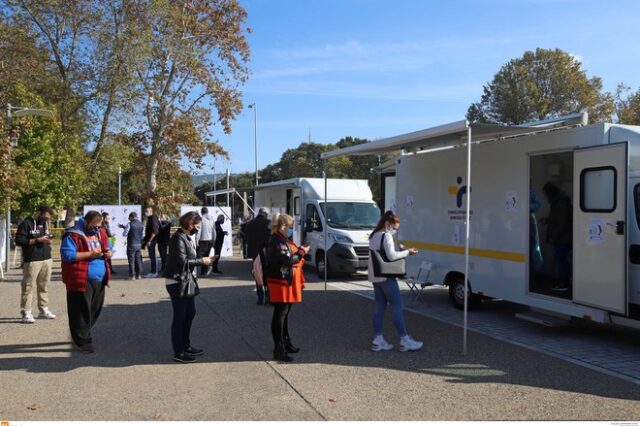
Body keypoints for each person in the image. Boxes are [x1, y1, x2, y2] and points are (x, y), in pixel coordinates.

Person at [368, 210, 422, 352]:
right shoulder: (386, 236)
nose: (395, 232)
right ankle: (405, 340)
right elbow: (391, 256)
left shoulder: (373, 236)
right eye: (394, 228)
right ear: (388, 224)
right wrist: (407, 252)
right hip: (386, 276)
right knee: (397, 306)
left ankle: (377, 339)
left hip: (375, 276)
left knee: (379, 308)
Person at [163, 211, 213, 363]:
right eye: (197, 226)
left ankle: (186, 345)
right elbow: (182, 261)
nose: (198, 228)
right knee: (180, 316)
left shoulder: (187, 237)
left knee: (190, 313)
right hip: (176, 281)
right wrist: (202, 261)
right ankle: (179, 351)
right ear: (189, 224)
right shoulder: (178, 238)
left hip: (186, 281)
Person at [60, 210, 113, 353]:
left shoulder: (100, 232)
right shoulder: (73, 234)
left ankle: (84, 333)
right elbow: (67, 255)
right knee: (80, 312)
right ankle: (82, 341)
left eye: (99, 225)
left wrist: (109, 252)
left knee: (94, 309)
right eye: (94, 225)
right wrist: (91, 254)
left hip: (99, 279)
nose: (96, 228)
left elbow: (109, 247)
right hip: (81, 279)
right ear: (86, 221)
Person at [265, 213, 310, 362]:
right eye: (290, 227)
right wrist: (303, 252)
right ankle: (279, 348)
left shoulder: (282, 239)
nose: (291, 230)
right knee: (280, 314)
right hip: (280, 282)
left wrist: (300, 251)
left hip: (286, 280)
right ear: (283, 226)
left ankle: (285, 342)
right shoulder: (276, 240)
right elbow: (288, 259)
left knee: (284, 314)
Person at [14, 205, 57, 323]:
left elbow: (45, 237)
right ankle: (26, 312)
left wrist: (48, 240)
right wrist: (38, 240)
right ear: (39, 213)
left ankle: (43, 309)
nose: (47, 219)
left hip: (46, 258)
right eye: (46, 216)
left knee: (44, 285)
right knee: (28, 286)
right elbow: (19, 241)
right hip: (32, 259)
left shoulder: (46, 224)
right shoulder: (26, 223)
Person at [542, 182, 573, 292]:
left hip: (563, 239)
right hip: (564, 238)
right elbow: (559, 219)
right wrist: (548, 220)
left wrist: (553, 237)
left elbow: (562, 223)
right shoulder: (560, 202)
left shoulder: (560, 203)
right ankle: (563, 281)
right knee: (562, 261)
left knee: (561, 261)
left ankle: (563, 283)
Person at [246, 207, 271, 304]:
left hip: (255, 253)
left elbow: (247, 238)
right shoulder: (269, 223)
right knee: (268, 274)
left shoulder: (250, 223)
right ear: (265, 214)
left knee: (257, 274)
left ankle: (260, 298)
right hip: (267, 253)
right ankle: (269, 297)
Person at [120, 211, 144, 280]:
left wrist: (125, 229)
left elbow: (124, 234)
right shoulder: (141, 224)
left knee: (131, 261)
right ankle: (139, 275)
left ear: (131, 217)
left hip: (131, 244)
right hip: (139, 244)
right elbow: (143, 236)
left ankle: (132, 275)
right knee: (138, 260)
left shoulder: (129, 224)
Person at [142, 206, 160, 278]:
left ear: (151, 211)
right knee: (151, 256)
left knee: (153, 256)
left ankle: (154, 272)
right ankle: (152, 271)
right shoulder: (149, 219)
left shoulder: (153, 218)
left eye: (147, 211)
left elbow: (155, 231)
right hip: (149, 240)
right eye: (145, 211)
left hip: (152, 240)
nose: (145, 212)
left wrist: (150, 241)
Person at [197, 207, 215, 276]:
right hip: (210, 239)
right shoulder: (212, 219)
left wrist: (197, 240)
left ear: (201, 212)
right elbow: (214, 231)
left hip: (202, 239)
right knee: (207, 255)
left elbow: (199, 230)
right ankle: (205, 270)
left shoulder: (201, 219)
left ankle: (203, 271)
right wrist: (214, 239)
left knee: (201, 256)